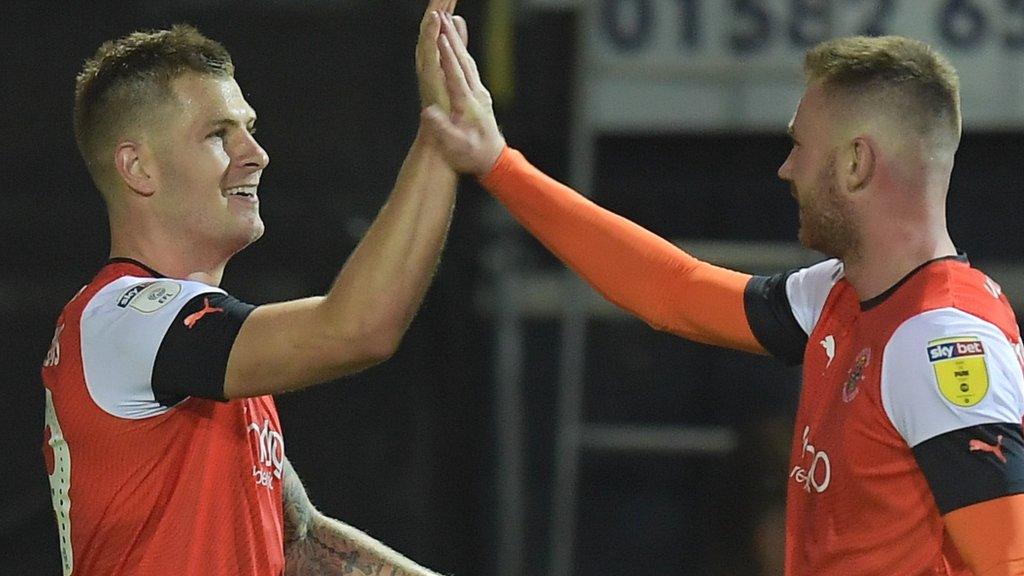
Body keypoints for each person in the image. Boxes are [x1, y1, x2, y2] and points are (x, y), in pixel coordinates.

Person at [423, 15, 1024, 575]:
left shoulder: (939, 337)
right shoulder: (841, 296)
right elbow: (671, 290)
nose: (786, 169)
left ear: (856, 164)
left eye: (800, 145)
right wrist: (497, 162)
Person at [40, 2, 469, 574]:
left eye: (250, 129)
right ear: (138, 168)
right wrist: (440, 136)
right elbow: (358, 329)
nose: (256, 155)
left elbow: (301, 542)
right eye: (219, 135)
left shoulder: (202, 350)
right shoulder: (122, 319)